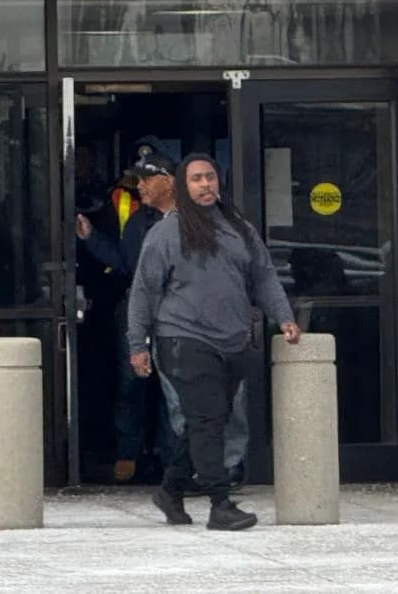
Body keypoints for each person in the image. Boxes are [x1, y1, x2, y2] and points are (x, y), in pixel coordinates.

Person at [127, 154, 302, 531]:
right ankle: (220, 503)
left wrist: (284, 316)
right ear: (182, 186)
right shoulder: (166, 233)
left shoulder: (238, 229)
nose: (205, 185)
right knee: (207, 420)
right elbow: (143, 292)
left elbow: (264, 276)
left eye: (210, 177)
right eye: (196, 179)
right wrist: (137, 345)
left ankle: (170, 490)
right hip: (183, 338)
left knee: (208, 421)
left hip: (233, 340)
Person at [75, 152, 175, 483]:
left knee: (172, 385)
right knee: (131, 381)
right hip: (137, 307)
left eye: (146, 180)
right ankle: (128, 453)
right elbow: (122, 262)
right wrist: (91, 237)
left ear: (168, 181)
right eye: (137, 180)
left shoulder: (192, 220)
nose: (139, 186)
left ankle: (170, 458)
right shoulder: (137, 221)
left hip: (178, 311)